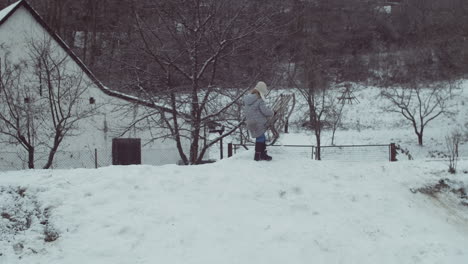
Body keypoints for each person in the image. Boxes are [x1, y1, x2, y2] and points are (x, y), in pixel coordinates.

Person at [243, 81, 274, 161]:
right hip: (258, 123)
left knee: (261, 137)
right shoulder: (260, 100)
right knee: (260, 138)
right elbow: (265, 111)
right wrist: (273, 112)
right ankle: (258, 155)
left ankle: (261, 154)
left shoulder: (248, 99)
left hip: (250, 122)